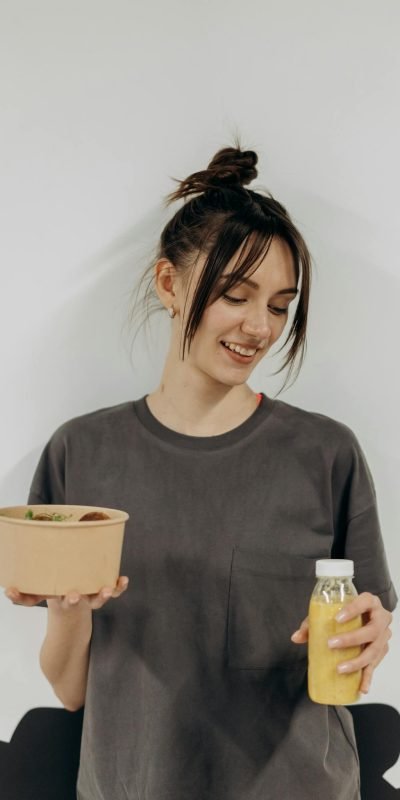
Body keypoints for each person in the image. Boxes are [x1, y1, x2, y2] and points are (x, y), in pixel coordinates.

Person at [5, 145, 397, 800]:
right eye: (235, 296)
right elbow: (72, 691)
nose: (258, 327)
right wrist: (71, 613)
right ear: (169, 284)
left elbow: (357, 658)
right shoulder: (82, 453)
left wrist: (372, 635)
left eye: (279, 306)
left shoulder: (326, 454)